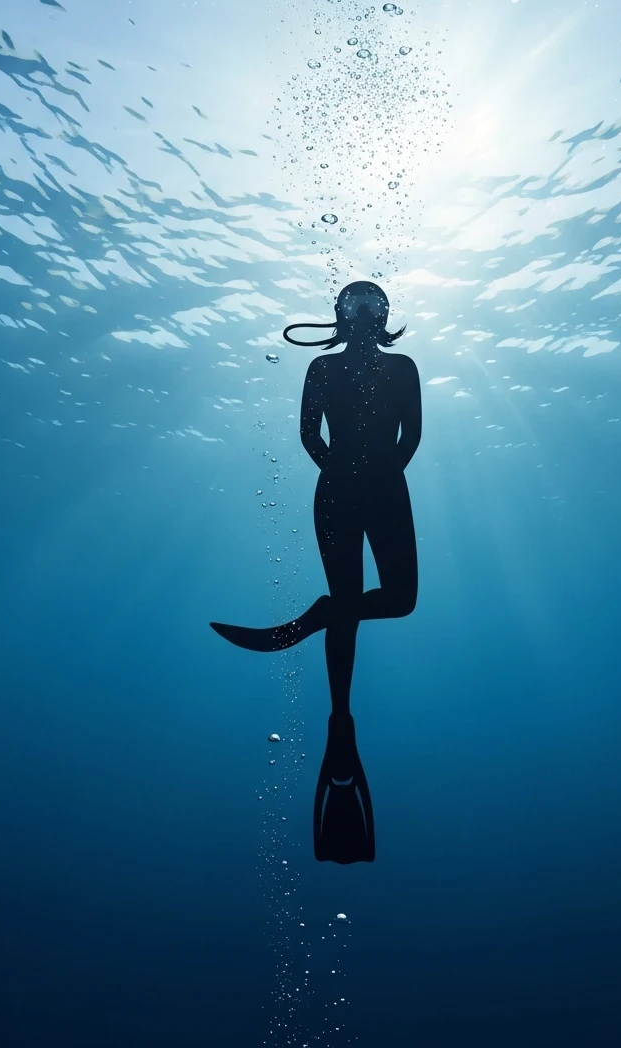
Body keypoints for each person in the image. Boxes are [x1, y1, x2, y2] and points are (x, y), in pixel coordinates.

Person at [211, 280, 421, 863]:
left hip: (381, 490)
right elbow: (308, 434)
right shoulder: (321, 369)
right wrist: (346, 473)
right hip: (340, 493)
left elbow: (412, 435)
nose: (364, 310)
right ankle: (340, 717)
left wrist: (377, 477)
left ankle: (323, 615)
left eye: (373, 303)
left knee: (398, 599)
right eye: (353, 303)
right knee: (352, 606)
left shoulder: (403, 367)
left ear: (384, 315)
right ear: (339, 315)